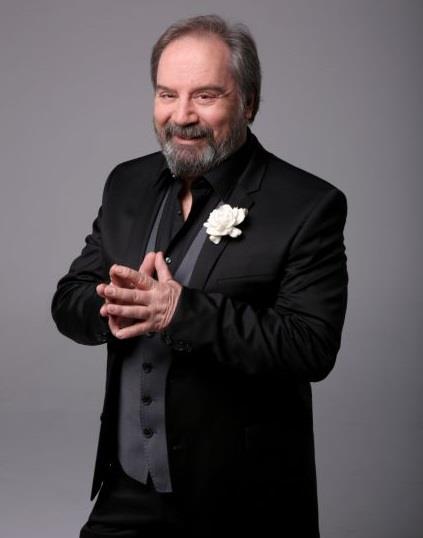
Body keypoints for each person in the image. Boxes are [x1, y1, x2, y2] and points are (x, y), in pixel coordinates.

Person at [52, 14, 348, 538]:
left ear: (249, 102)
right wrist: (111, 305)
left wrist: (178, 310)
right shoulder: (126, 183)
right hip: (130, 487)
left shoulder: (308, 205)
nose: (182, 115)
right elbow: (69, 299)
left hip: (248, 501)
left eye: (206, 96)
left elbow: (311, 347)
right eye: (167, 95)